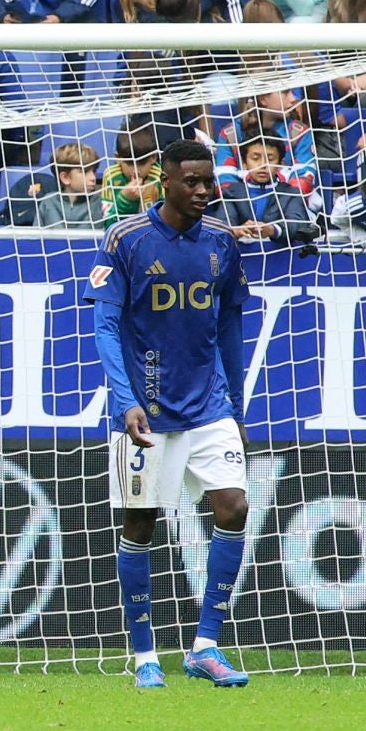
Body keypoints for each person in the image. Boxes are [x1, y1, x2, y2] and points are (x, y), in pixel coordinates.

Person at [89, 138, 255, 690]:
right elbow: (106, 325)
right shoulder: (126, 238)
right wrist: (124, 399)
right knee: (141, 524)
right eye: (192, 181)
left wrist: (234, 400)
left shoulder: (221, 244)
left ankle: (206, 646)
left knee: (232, 508)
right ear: (164, 179)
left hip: (209, 404)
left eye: (209, 181)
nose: (204, 190)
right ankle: (144, 657)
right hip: (147, 409)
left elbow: (230, 321)